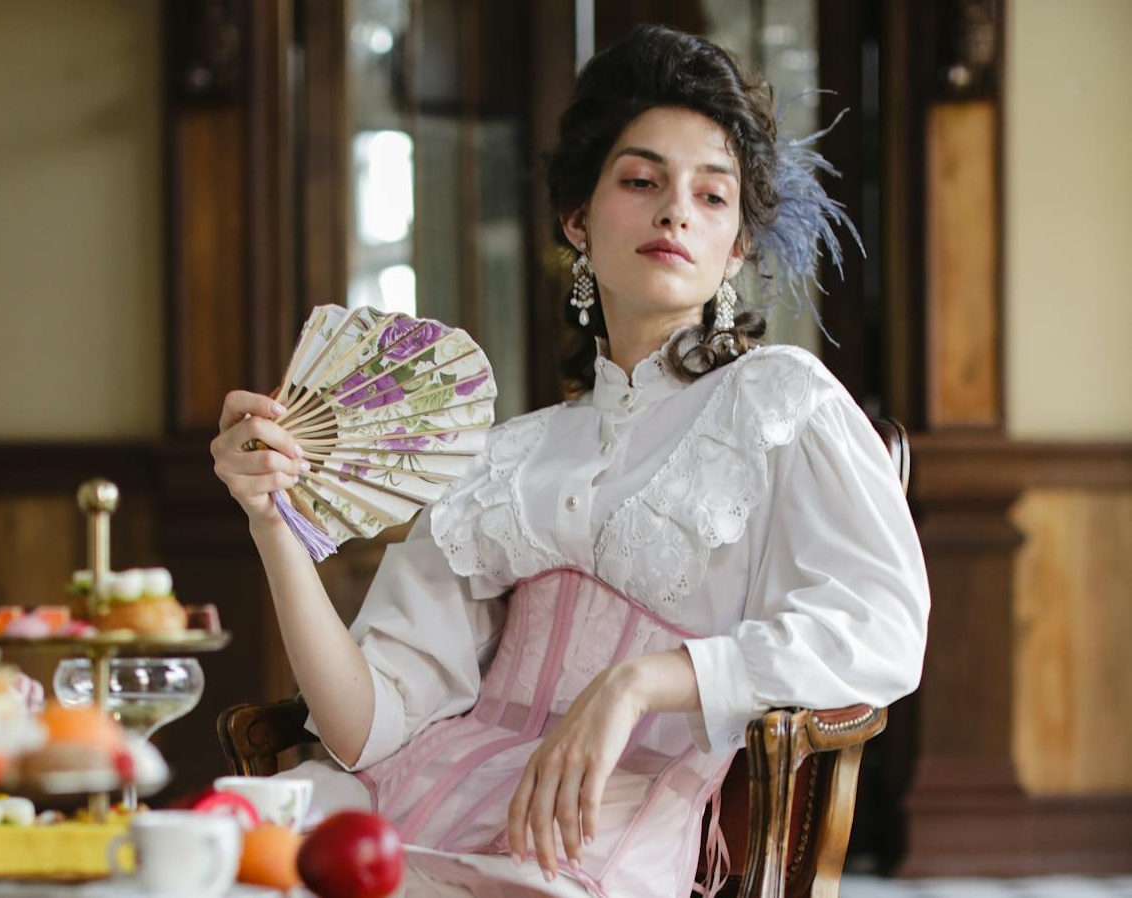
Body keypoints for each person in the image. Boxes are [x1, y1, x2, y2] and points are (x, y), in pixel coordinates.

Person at [210, 24, 929, 898]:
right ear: (576, 219)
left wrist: (641, 681)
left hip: (593, 839)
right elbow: (365, 727)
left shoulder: (780, 399)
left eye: (712, 197)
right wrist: (272, 522)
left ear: (737, 247)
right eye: (641, 180)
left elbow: (880, 630)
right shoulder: (504, 456)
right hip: (397, 805)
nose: (675, 212)